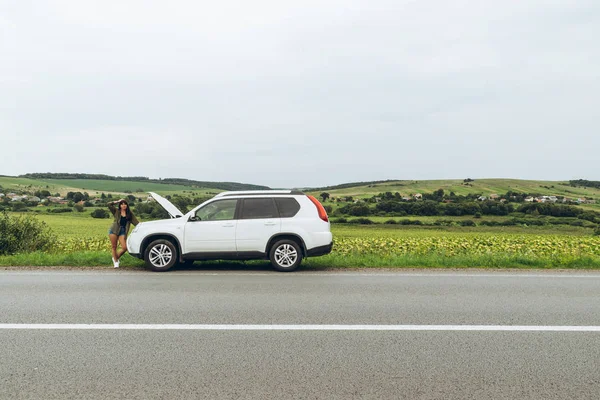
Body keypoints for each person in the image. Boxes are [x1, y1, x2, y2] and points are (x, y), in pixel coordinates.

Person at [107, 198, 140, 268]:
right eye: (122, 204)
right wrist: (117, 201)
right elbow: (109, 204)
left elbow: (136, 223)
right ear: (120, 205)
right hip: (114, 230)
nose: (123, 205)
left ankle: (115, 258)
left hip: (123, 231)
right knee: (114, 246)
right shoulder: (116, 211)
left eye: (125, 204)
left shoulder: (129, 214)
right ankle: (116, 262)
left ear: (127, 205)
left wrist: (144, 227)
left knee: (124, 247)